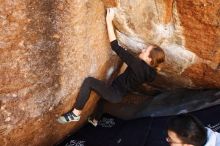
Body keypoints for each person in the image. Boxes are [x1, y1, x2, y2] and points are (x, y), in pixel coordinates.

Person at [57, 8, 165, 125]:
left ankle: (75, 114)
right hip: (119, 95)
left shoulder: (138, 65)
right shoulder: (150, 73)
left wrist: (109, 21)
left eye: (146, 50)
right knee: (102, 100)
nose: (142, 49)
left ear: (149, 59)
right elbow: (130, 72)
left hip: (115, 93)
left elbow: (115, 46)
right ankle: (95, 120)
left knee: (89, 82)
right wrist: (126, 60)